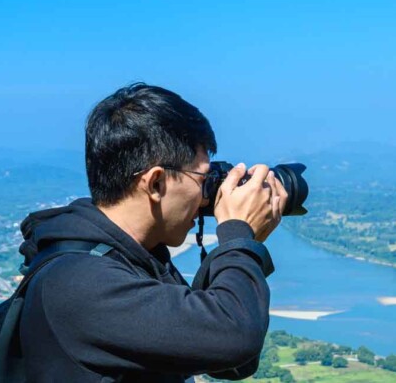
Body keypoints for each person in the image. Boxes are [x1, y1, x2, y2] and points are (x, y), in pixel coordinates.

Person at [16, 83, 287, 382]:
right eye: (203, 178)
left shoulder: (132, 259)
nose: (207, 196)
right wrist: (239, 235)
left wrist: (241, 242)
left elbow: (228, 362)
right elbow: (235, 336)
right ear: (156, 184)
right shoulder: (78, 282)